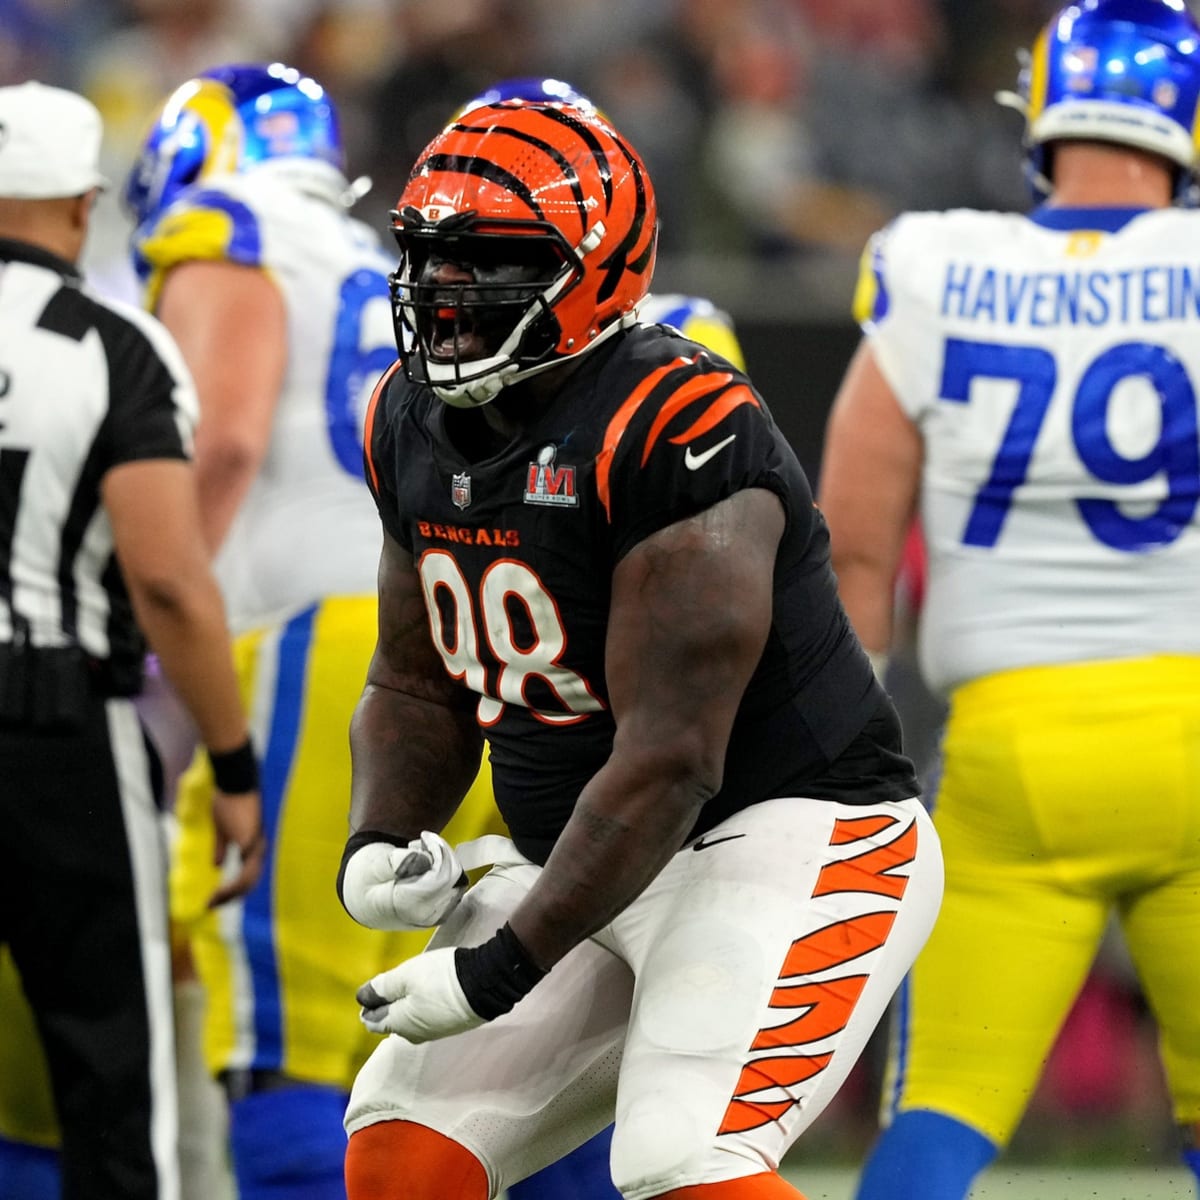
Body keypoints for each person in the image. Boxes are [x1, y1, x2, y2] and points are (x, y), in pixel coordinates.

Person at [337, 97, 943, 1200]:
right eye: (429, 258)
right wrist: (379, 837)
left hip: (781, 834)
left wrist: (496, 973)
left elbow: (671, 758)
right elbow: (416, 681)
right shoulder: (403, 414)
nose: (446, 295)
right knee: (400, 1154)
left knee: (683, 1161)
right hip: (589, 847)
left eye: (489, 263)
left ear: (597, 268)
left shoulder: (677, 425)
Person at [816, 2, 1200, 1198]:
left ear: (1041, 112)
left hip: (1011, 749)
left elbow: (855, 552)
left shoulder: (938, 265)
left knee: (937, 1119)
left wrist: (832, 767)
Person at [120, 61, 510, 1200]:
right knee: (428, 1035)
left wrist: (150, 600)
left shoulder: (228, 226)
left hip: (314, 637)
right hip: (444, 631)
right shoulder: (369, 253)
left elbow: (224, 440)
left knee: (278, 1020)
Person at [454, 75, 750, 1200]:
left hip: (621, 741)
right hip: (509, 703)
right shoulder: (442, 351)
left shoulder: (675, 364)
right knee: (495, 1052)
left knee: (595, 1042)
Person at [0, 80, 264, 1200]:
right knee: (114, 1082)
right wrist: (234, 759)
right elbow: (166, 576)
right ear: (82, 205)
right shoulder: (115, 347)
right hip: (56, 727)